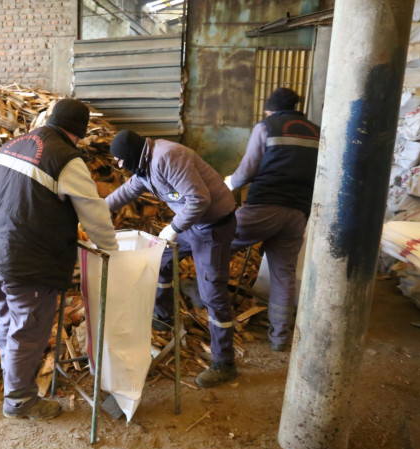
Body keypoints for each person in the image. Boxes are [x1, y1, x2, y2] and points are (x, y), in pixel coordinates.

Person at [0, 99, 119, 420]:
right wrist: (111, 249)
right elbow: (94, 213)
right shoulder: (66, 159)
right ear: (79, 134)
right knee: (28, 332)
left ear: (51, 119)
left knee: (7, 322)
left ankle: (12, 383)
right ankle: (19, 400)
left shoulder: (15, 144)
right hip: (28, 264)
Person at [105, 130, 237, 388]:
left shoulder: (167, 157)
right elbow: (128, 190)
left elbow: (199, 199)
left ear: (131, 154)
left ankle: (225, 362)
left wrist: (174, 228)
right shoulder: (145, 165)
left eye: (120, 160)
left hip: (212, 226)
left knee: (212, 293)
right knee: (159, 263)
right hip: (192, 225)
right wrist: (98, 209)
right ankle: (165, 319)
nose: (119, 165)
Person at [227, 87, 320, 352]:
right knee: (283, 274)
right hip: (297, 212)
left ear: (270, 109)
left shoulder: (266, 126)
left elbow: (245, 172)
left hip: (263, 206)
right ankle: (280, 337)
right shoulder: (317, 131)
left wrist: (226, 186)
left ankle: (206, 305)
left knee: (214, 244)